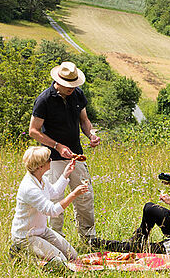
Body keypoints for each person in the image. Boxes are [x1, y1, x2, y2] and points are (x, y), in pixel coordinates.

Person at [28, 61, 101, 245]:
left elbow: (84, 120)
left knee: (85, 196)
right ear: (58, 81)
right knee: (55, 199)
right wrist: (57, 145)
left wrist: (90, 134)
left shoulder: (77, 94)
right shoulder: (44, 99)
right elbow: (33, 131)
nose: (71, 89)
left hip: (77, 155)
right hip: (52, 159)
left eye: (73, 85)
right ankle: (56, 240)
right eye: (68, 85)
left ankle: (88, 238)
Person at [10, 146, 90, 265]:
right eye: (48, 159)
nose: (51, 160)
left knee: (72, 255)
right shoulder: (29, 188)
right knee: (60, 262)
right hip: (26, 236)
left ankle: (35, 254)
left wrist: (65, 174)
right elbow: (52, 211)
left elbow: (54, 193)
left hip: (42, 231)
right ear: (40, 166)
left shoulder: (41, 179)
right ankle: (22, 254)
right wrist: (73, 194)